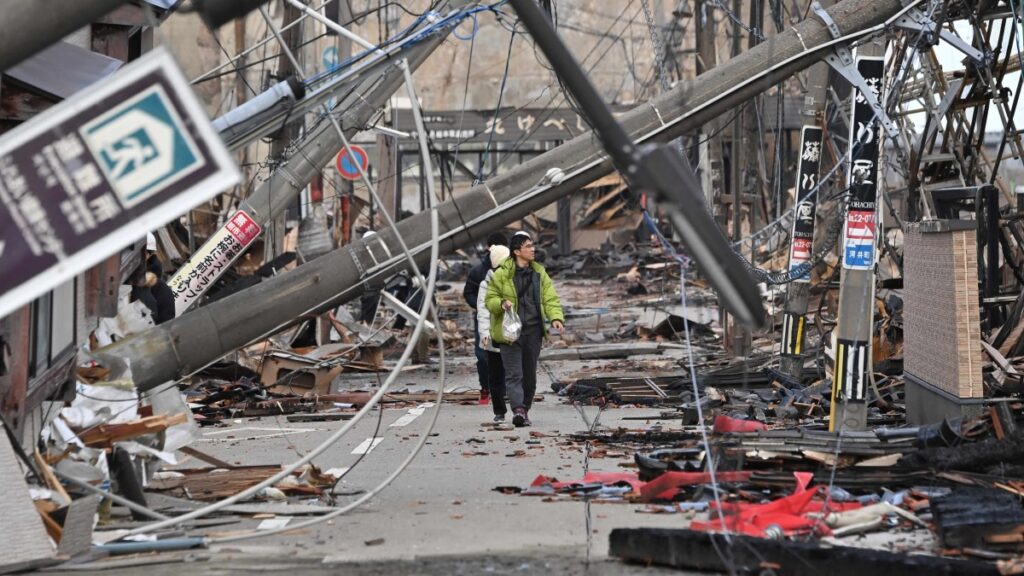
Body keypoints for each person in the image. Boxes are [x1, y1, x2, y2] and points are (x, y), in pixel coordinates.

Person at [486, 233, 565, 427]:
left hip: (533, 331)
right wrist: (501, 303)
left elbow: (550, 298)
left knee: (529, 375)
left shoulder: (540, 273)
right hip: (509, 331)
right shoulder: (502, 274)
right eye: (528, 246)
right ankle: (518, 410)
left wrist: (555, 317)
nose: (533, 249)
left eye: (532, 246)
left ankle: (525, 408)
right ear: (517, 251)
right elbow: (489, 299)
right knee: (514, 374)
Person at [463, 232, 508, 405]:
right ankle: (485, 387)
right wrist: (481, 306)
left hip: (504, 319)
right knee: (482, 355)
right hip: (483, 319)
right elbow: (468, 293)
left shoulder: (510, 269)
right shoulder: (478, 271)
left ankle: (502, 390)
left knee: (504, 355)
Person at [477, 244, 511, 423]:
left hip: (512, 335)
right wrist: (484, 333)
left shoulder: (515, 280)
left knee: (514, 373)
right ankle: (499, 410)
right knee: (496, 375)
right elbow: (482, 312)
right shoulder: (486, 284)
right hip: (492, 337)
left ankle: (520, 408)